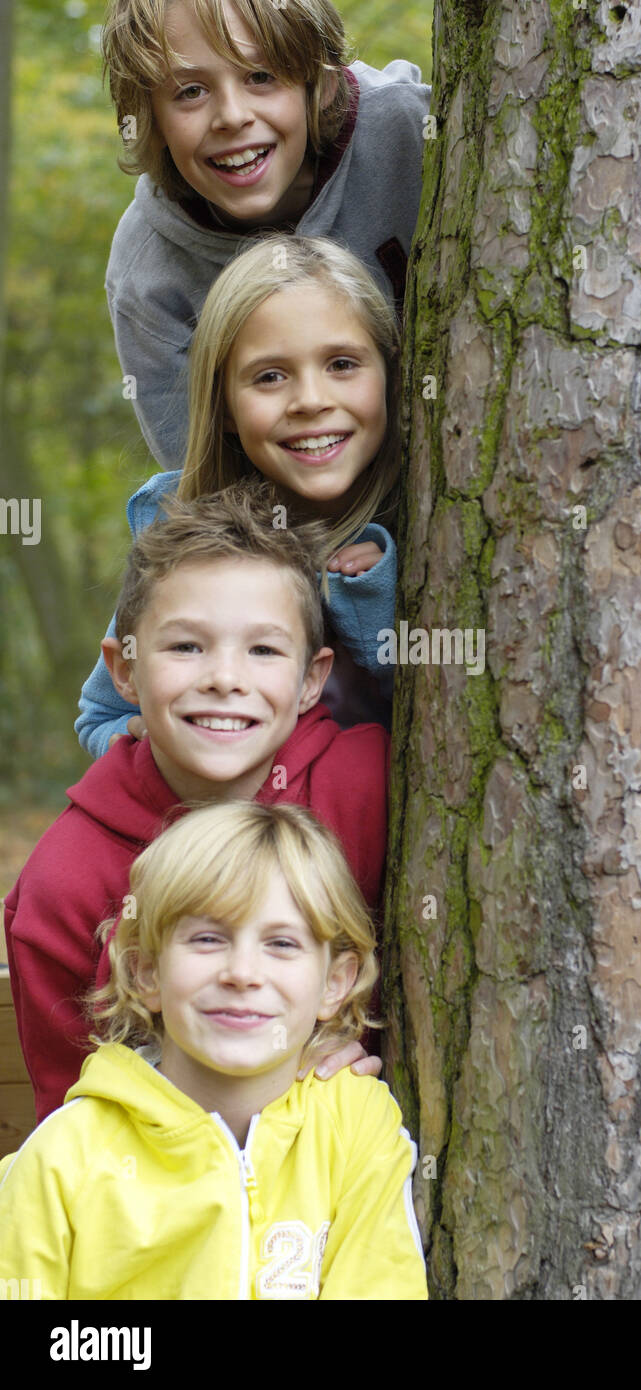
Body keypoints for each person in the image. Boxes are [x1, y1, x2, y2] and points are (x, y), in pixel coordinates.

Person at [6, 482, 388, 1122]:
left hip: (351, 1178)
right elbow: (67, 1124)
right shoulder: (62, 882)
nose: (224, 677)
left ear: (311, 679)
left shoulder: (367, 790)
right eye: (186, 646)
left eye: (263, 650)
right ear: (123, 670)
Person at [0, 802, 428, 1300]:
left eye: (282, 944)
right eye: (207, 938)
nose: (242, 972)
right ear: (147, 974)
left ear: (334, 983)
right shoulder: (65, 1156)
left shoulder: (356, 1128)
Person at [77, 234, 401, 755]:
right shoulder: (182, 537)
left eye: (342, 364)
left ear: (389, 376)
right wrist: (148, 744)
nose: (311, 401)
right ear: (224, 407)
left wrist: (373, 595)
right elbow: (103, 717)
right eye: (269, 376)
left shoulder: (431, 521)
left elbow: (427, 710)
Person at [100, 0, 428, 470]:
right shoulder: (148, 275)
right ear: (148, 115)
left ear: (322, 81)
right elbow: (198, 485)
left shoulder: (410, 133)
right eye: (190, 91)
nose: (232, 117)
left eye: (260, 76)